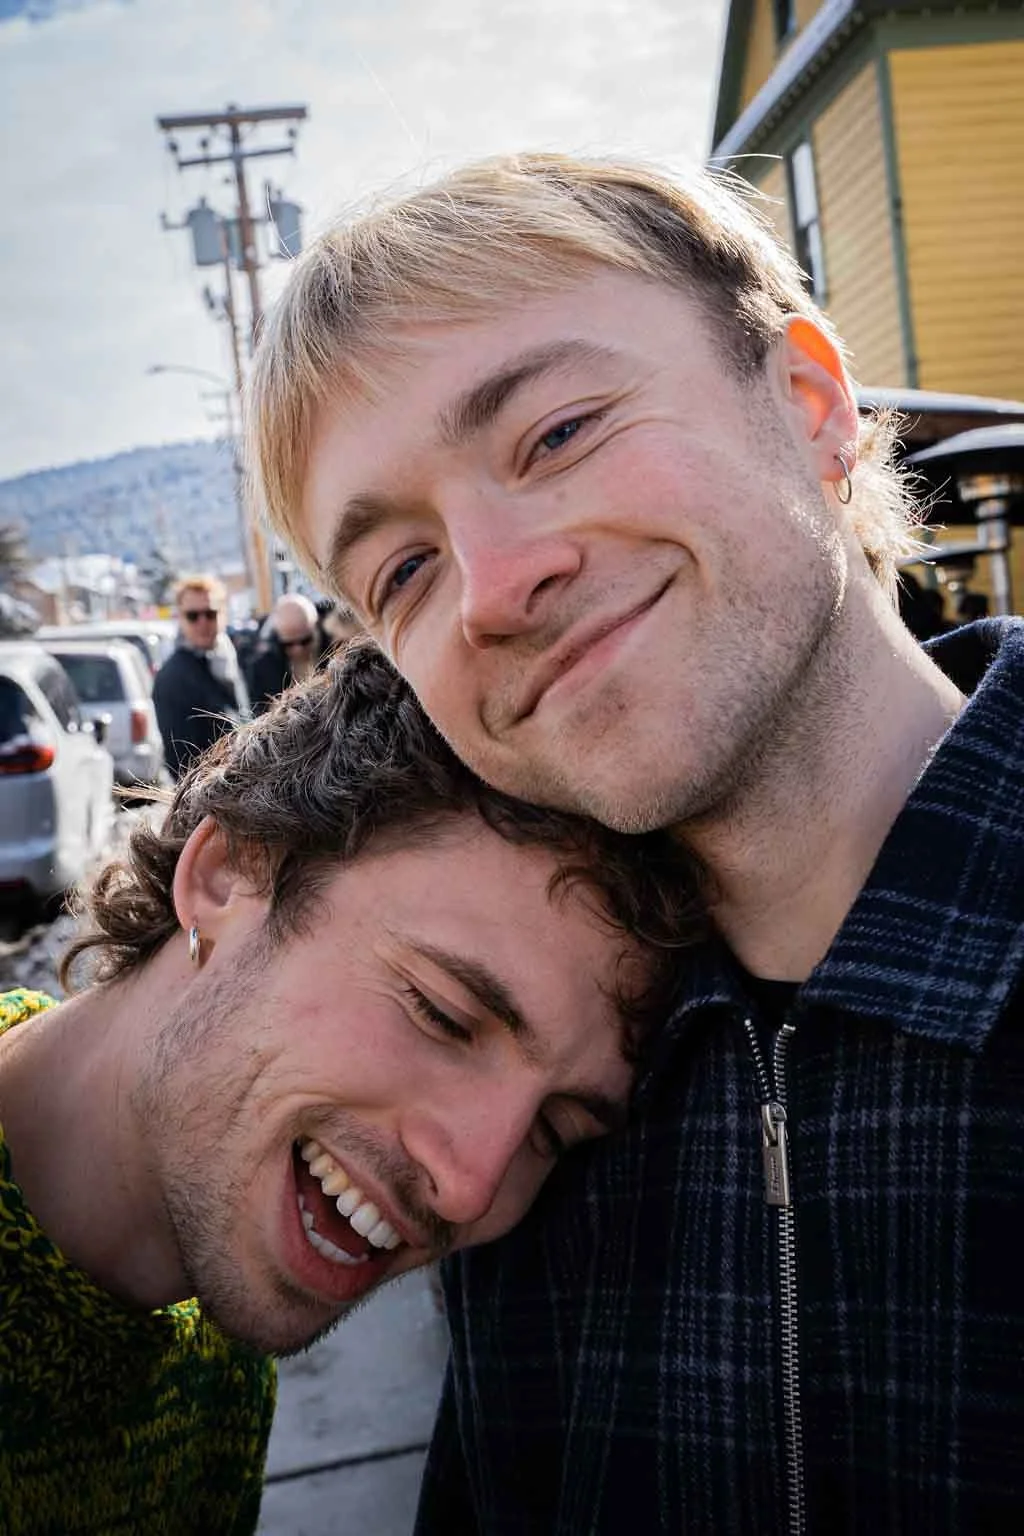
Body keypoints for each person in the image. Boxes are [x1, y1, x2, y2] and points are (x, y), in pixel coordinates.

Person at [245, 152, 1024, 1533]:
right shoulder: (515, 1118)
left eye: (556, 434)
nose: (492, 588)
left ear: (811, 407)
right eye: (403, 573)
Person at [0, 637, 693, 1534]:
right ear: (227, 874)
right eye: (442, 1014)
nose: (471, 1185)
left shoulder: (215, 1325)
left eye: (553, 1132)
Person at [153, 573, 249, 777]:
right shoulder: (173, 677)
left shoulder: (230, 658)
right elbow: (180, 762)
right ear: (180, 618)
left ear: (222, 614)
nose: (203, 622)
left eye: (210, 613)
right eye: (193, 616)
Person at [247, 591, 330, 713]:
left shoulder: (335, 643)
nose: (298, 649)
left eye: (305, 641)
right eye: (288, 644)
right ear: (278, 637)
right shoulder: (264, 665)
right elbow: (258, 710)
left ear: (315, 627)